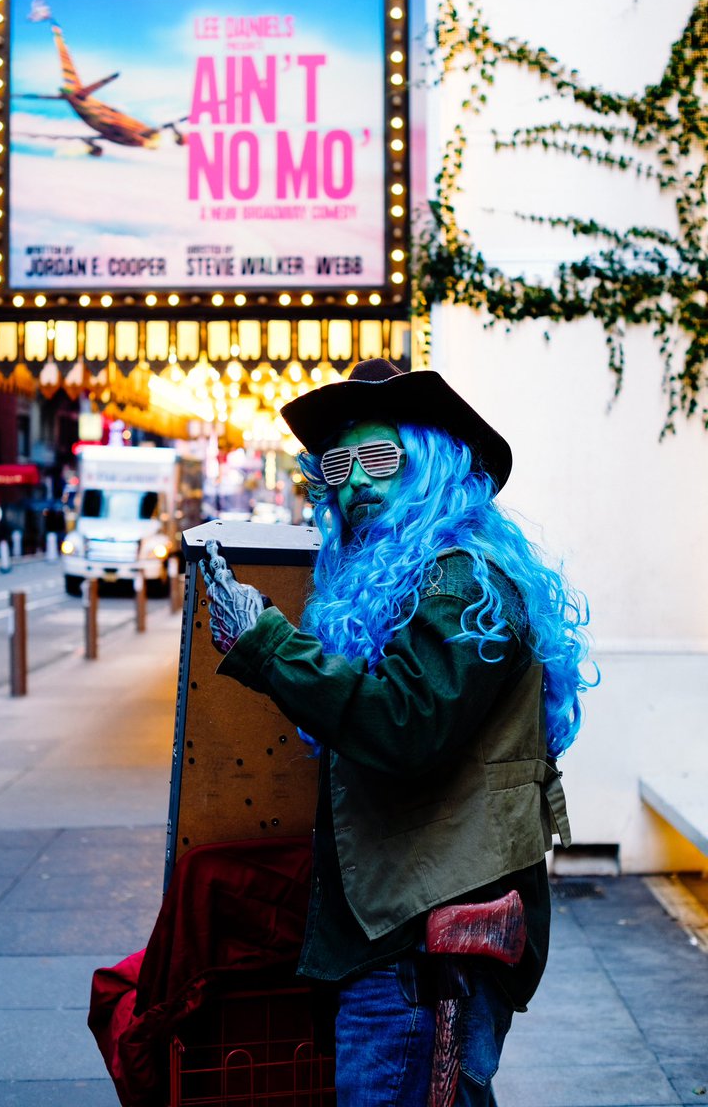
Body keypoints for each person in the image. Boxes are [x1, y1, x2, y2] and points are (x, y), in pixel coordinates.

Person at [199, 358, 595, 1107]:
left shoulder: (464, 580)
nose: (355, 482)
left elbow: (402, 725)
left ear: (435, 465)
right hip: (403, 931)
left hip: (421, 946)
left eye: (380, 458)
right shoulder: (416, 580)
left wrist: (267, 645)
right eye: (337, 466)